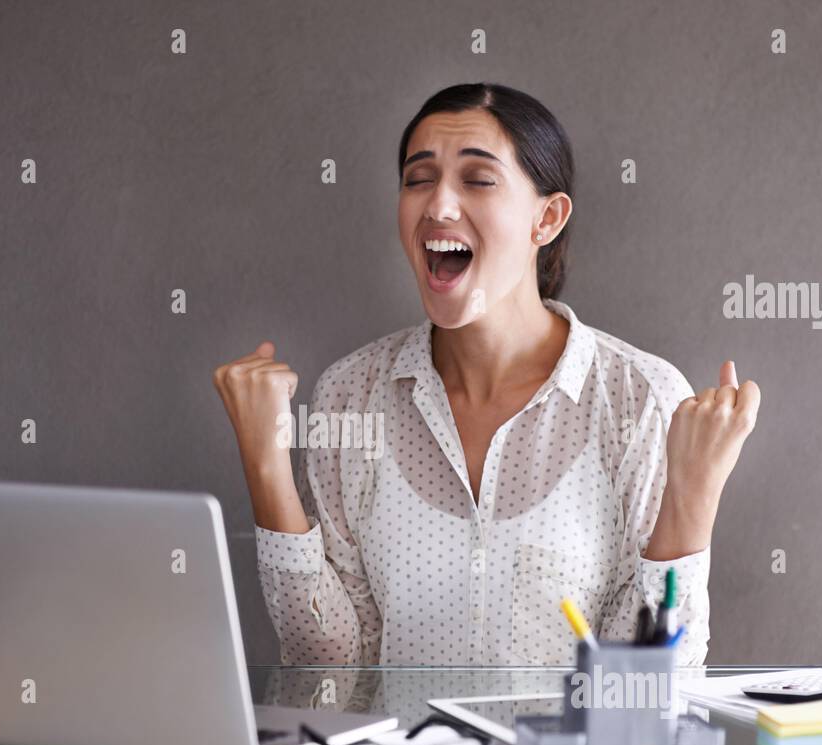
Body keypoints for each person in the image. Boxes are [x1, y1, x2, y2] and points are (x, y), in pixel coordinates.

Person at [213, 82, 760, 673]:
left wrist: (693, 499)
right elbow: (329, 667)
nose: (438, 206)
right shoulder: (351, 396)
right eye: (418, 179)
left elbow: (650, 684)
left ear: (546, 218)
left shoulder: (642, 399)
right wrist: (265, 464)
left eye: (477, 180)